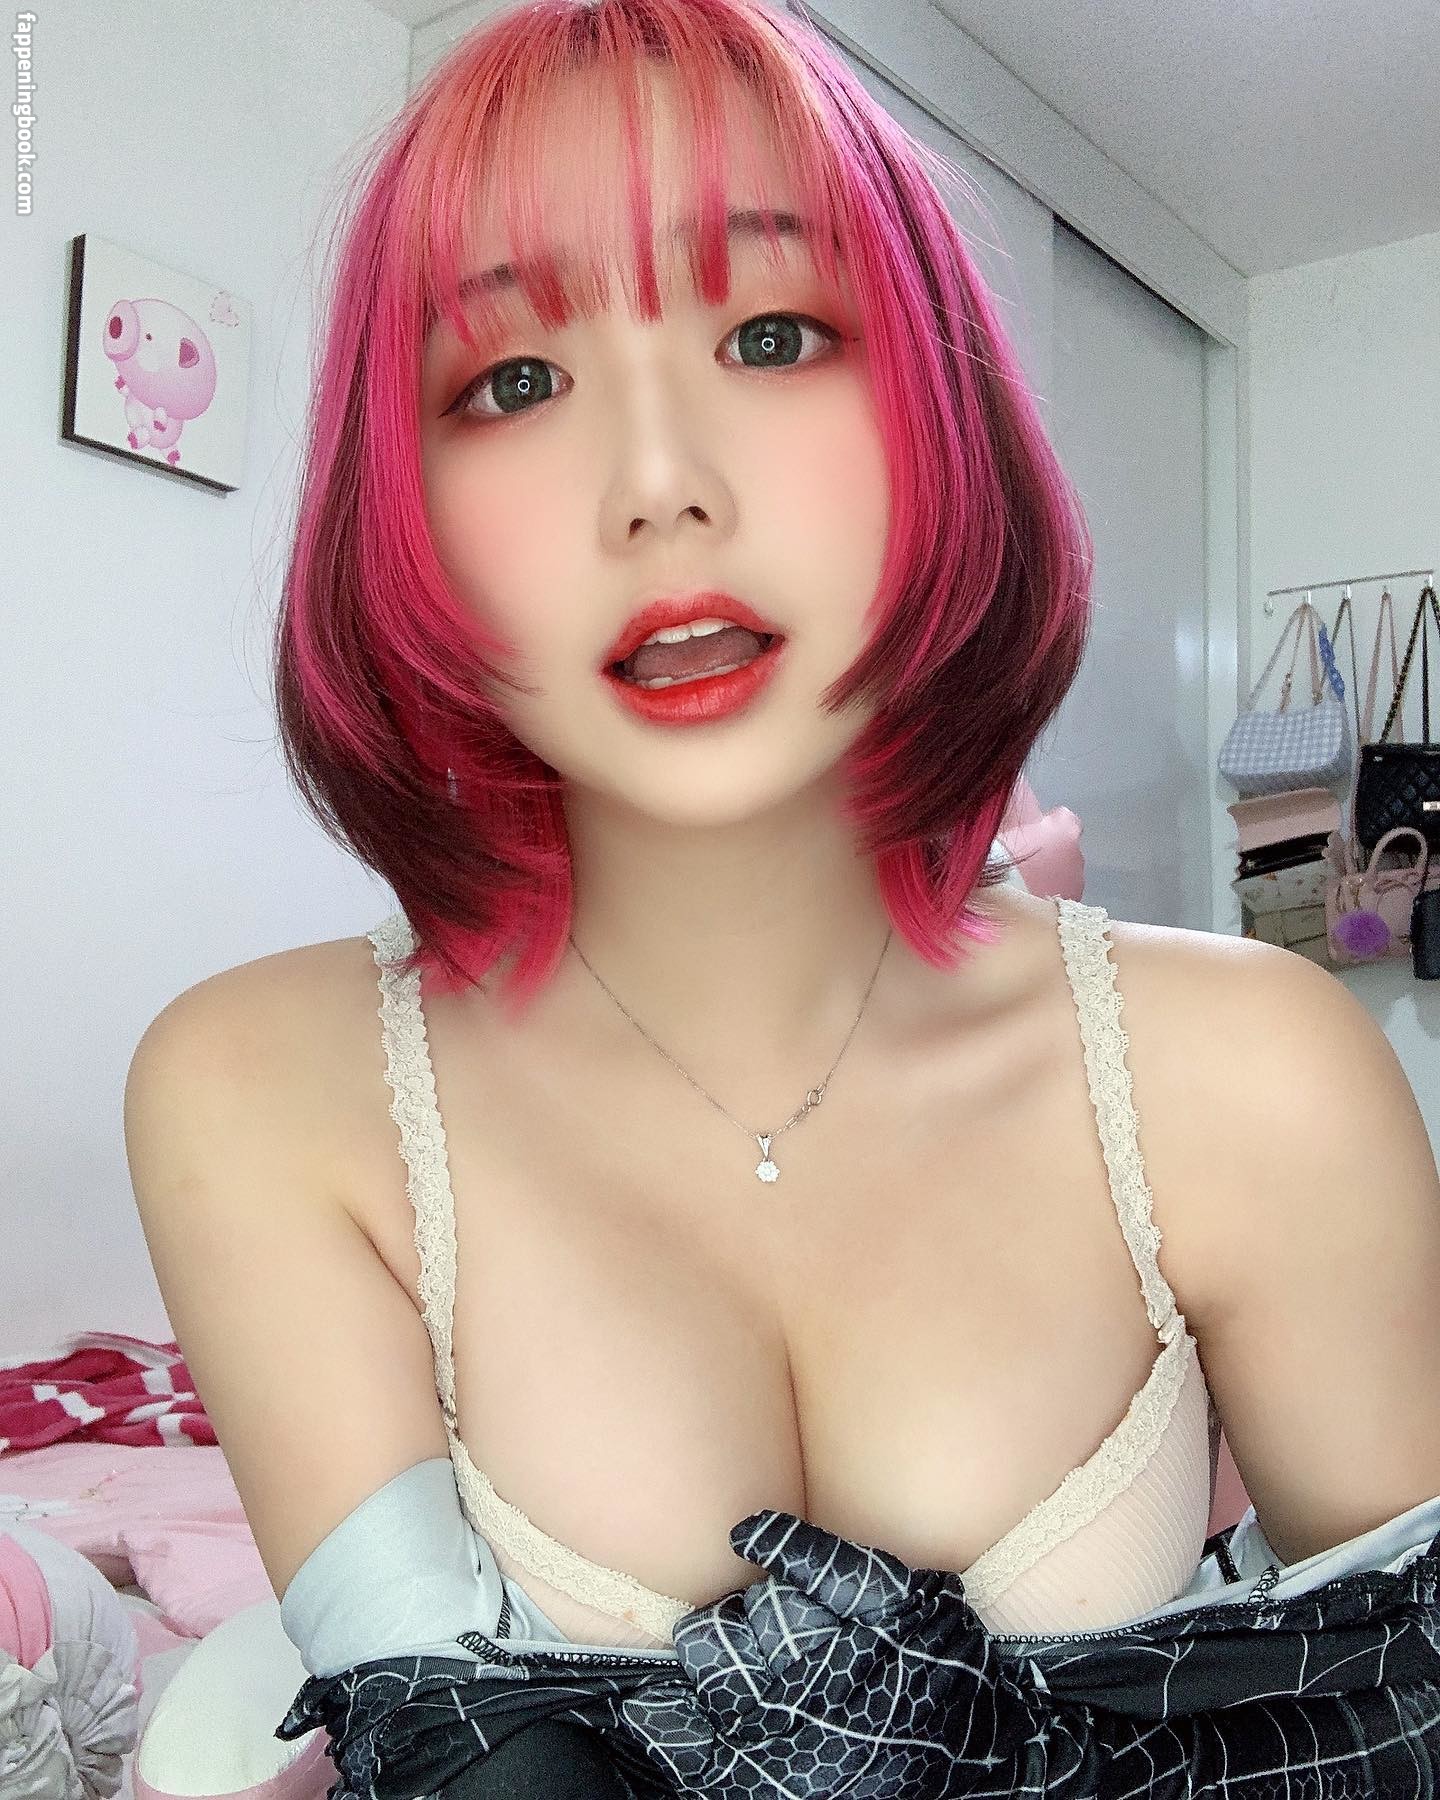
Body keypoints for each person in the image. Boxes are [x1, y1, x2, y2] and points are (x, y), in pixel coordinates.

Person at [124, 0, 1440, 1790]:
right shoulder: (265, 1092)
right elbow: (440, 1744)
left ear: (938, 411)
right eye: (514, 382)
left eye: (771, 333)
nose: (660, 488)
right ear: (399, 506)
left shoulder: (1256, 1075)